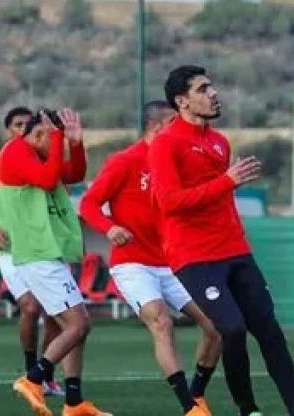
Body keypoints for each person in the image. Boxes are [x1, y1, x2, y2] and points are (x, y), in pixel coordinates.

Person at [149, 65, 294, 416]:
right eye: (203, 89)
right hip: (194, 256)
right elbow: (169, 202)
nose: (214, 93)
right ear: (182, 101)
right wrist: (227, 181)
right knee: (232, 329)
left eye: (212, 86)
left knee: (269, 331)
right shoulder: (166, 144)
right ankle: (247, 408)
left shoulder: (219, 142)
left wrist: (229, 193)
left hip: (235, 249)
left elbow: (218, 196)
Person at [79, 100, 222, 416]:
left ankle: (197, 395)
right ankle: (189, 407)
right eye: (176, 123)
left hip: (175, 262)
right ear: (159, 126)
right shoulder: (125, 161)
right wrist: (110, 227)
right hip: (133, 264)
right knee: (161, 320)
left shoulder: (181, 162)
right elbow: (89, 203)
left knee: (217, 324)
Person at [0, 108, 112, 416]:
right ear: (39, 134)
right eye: (52, 137)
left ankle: (74, 402)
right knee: (79, 324)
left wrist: (75, 143)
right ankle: (33, 378)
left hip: (49, 253)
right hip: (38, 255)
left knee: (72, 329)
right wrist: (59, 137)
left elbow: (75, 175)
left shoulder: (39, 154)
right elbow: (49, 181)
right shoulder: (15, 151)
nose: (57, 147)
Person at [0, 105, 64, 397]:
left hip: (41, 246)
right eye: (17, 124)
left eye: (28, 125)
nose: (23, 129)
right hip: (10, 248)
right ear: (8, 130)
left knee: (56, 313)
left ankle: (46, 375)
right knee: (30, 306)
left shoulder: (44, 159)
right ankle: (30, 370)